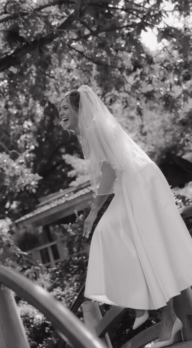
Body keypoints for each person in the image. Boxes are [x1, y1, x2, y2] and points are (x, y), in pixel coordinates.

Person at [59, 85, 192, 348]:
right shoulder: (92, 130)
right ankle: (141, 302)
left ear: (78, 109)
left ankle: (164, 317)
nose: (60, 114)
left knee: (133, 242)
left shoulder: (96, 128)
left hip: (140, 185)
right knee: (117, 237)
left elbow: (109, 172)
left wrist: (94, 210)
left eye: (64, 108)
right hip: (133, 184)